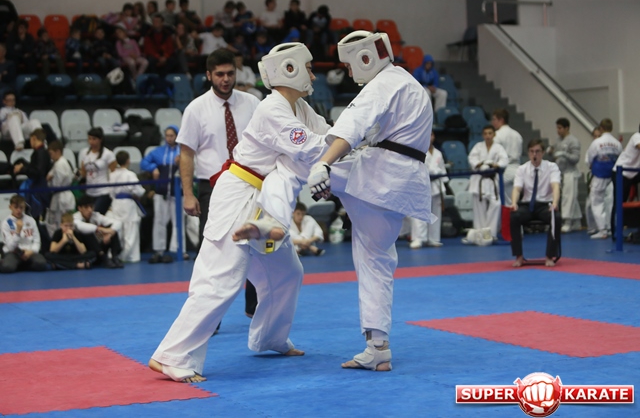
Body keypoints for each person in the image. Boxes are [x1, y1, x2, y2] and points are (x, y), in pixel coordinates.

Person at [149, 42, 329, 383]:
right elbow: (313, 147)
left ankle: (270, 337)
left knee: (287, 272)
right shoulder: (273, 109)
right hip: (237, 193)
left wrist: (358, 138)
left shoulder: (300, 108)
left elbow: (329, 136)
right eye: (308, 68)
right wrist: (355, 147)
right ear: (290, 70)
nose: (313, 75)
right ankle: (172, 355)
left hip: (264, 199)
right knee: (222, 277)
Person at [305, 30, 433, 371]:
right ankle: (378, 346)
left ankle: (268, 214)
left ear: (366, 58)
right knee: (375, 258)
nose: (349, 72)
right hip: (398, 180)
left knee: (303, 160)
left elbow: (352, 127)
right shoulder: (409, 83)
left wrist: (323, 165)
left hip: (381, 176)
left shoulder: (383, 84)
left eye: (350, 65)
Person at [176, 48, 260, 326]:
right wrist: (188, 194)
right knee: (212, 251)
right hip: (211, 186)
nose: (226, 79)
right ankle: (209, 316)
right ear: (209, 75)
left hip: (249, 183)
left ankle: (255, 307)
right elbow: (186, 154)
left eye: (230, 74)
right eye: (220, 74)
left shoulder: (252, 103)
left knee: (258, 245)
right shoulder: (196, 108)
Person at [509, 138, 561, 267]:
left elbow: (555, 186)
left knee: (556, 217)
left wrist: (555, 203)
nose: (534, 155)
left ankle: (549, 255)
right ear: (528, 153)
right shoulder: (522, 169)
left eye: (537, 151)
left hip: (545, 205)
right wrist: (514, 203)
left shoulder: (552, 167)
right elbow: (517, 188)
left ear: (543, 153)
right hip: (527, 205)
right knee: (514, 216)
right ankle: (518, 256)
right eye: (532, 151)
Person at [141, 125, 185, 263]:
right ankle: (158, 250)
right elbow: (143, 163)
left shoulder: (183, 151)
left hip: (178, 193)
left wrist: (182, 162)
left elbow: (193, 166)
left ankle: (179, 250)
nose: (169, 138)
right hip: (161, 192)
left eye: (172, 136)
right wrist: (153, 168)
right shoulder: (158, 152)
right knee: (159, 221)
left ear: (177, 136)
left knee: (178, 222)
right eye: (167, 136)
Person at [468, 125, 508, 240]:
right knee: (479, 208)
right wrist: (480, 164)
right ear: (482, 135)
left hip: (492, 179)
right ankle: (480, 234)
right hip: (479, 180)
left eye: (490, 133)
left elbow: (504, 160)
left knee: (496, 204)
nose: (488, 136)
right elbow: (472, 159)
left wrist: (496, 165)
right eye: (485, 133)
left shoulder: (498, 147)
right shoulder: (478, 146)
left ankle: (490, 233)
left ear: (494, 134)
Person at [409, 131, 449, 248]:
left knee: (435, 213)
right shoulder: (418, 150)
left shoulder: (438, 153)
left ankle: (433, 238)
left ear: (434, 137)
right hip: (421, 184)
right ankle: (418, 238)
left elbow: (442, 169)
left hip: (436, 184)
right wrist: (434, 171)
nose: (429, 137)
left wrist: (441, 176)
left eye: (431, 135)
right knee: (419, 212)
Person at [585, 118, 622, 239]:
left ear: (601, 128)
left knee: (596, 202)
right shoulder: (617, 143)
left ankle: (602, 230)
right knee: (610, 202)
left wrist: (593, 166)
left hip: (600, 175)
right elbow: (620, 158)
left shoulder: (597, 143)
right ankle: (610, 227)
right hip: (613, 175)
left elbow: (589, 159)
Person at [109, 150, 146, 262]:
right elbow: (139, 191)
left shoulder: (112, 174)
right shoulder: (130, 174)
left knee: (118, 229)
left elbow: (110, 193)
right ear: (128, 161)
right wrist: (139, 194)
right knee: (130, 230)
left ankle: (115, 254)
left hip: (116, 203)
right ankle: (129, 256)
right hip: (128, 204)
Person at [548, 117, 582, 233]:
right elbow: (555, 154)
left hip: (570, 173)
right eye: (557, 128)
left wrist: (564, 154)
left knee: (568, 198)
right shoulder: (558, 140)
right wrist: (551, 151)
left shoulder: (573, 141)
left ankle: (567, 222)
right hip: (561, 172)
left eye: (560, 128)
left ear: (566, 128)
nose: (558, 130)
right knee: (572, 198)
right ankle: (576, 222)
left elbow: (576, 159)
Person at [73, 195, 124, 268]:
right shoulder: (75, 217)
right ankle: (104, 258)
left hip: (99, 248)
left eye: (91, 207)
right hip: (86, 253)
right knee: (87, 232)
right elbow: (80, 226)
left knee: (112, 229)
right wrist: (100, 229)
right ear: (79, 208)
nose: (90, 210)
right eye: (86, 207)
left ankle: (115, 257)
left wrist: (110, 233)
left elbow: (118, 222)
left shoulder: (96, 215)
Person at [1, 194, 47, 273]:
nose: (19, 210)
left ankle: (21, 265)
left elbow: (37, 241)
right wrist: (18, 232)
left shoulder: (31, 220)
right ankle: (19, 264)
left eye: (21, 207)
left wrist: (32, 251)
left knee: (41, 264)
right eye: (16, 207)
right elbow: (10, 247)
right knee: (7, 267)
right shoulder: (6, 223)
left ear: (24, 207)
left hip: (29, 251)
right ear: (10, 207)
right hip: (14, 252)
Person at [13, 129, 51, 220]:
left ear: (34, 138)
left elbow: (37, 172)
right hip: (38, 187)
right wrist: (24, 166)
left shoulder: (40, 153)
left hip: (37, 188)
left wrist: (23, 169)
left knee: (35, 215)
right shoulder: (42, 152)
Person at [79, 127, 117, 215]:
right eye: (89, 139)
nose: (91, 142)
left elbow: (114, 172)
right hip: (89, 191)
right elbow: (83, 171)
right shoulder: (84, 153)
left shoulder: (108, 154)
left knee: (95, 215)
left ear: (100, 140)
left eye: (94, 139)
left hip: (103, 191)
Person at [612, 124, 640, 236]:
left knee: (625, 202)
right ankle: (615, 232)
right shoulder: (637, 136)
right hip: (621, 173)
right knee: (619, 202)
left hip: (633, 174)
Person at [492, 108, 523, 206]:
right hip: (517, 169)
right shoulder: (517, 135)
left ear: (501, 120)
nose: (493, 122)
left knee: (503, 201)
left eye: (494, 119)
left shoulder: (497, 135)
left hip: (505, 171)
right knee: (513, 201)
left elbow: (495, 155)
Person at [45, 140, 76, 237]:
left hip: (61, 196)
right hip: (64, 195)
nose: (50, 156)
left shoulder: (60, 164)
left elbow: (56, 184)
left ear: (58, 151)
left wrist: (49, 180)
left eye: (51, 153)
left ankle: (62, 239)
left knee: (61, 223)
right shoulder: (62, 162)